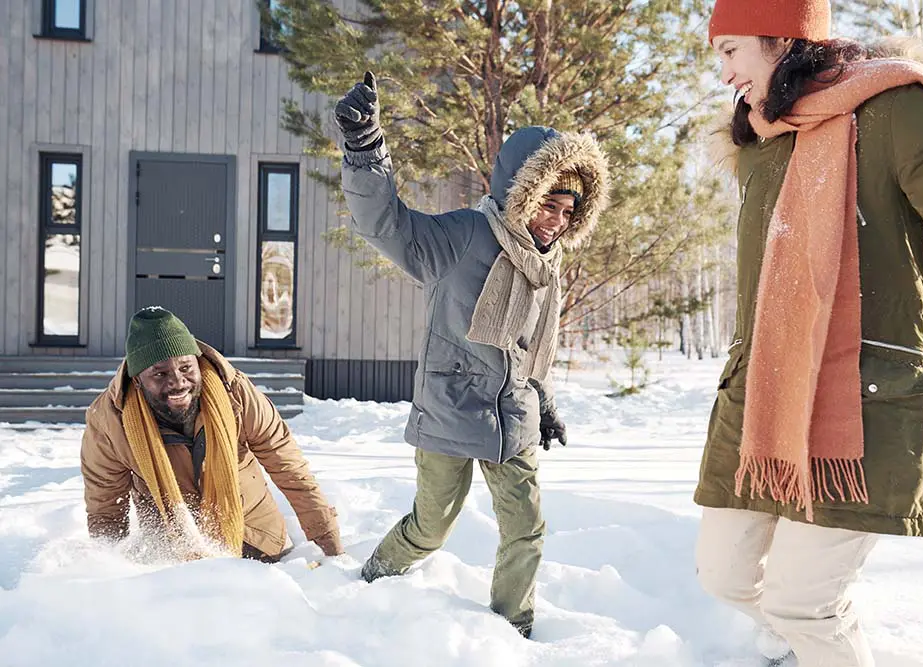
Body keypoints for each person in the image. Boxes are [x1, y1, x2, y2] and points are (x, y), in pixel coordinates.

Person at [694, 1, 923, 665]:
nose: (723, 73)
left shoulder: (895, 107)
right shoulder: (763, 139)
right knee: (723, 574)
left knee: (802, 601)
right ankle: (809, 650)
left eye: (730, 51)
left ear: (783, 37)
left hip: (861, 396)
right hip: (763, 396)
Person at [333, 72, 609, 638]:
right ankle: (371, 581)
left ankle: (513, 631)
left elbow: (531, 346)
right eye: (545, 204)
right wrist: (366, 154)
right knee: (432, 526)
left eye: (566, 209)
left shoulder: (544, 264)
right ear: (520, 193)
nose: (554, 220)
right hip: (451, 406)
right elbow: (387, 224)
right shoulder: (464, 236)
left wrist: (544, 401)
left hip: (514, 412)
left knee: (527, 530)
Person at [81, 306, 345, 562]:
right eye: (160, 374)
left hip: (256, 540)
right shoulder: (110, 422)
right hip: (171, 555)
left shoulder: (237, 395)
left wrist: (329, 540)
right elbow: (106, 507)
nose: (178, 382)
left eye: (186, 368)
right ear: (137, 379)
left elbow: (289, 469)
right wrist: (108, 567)